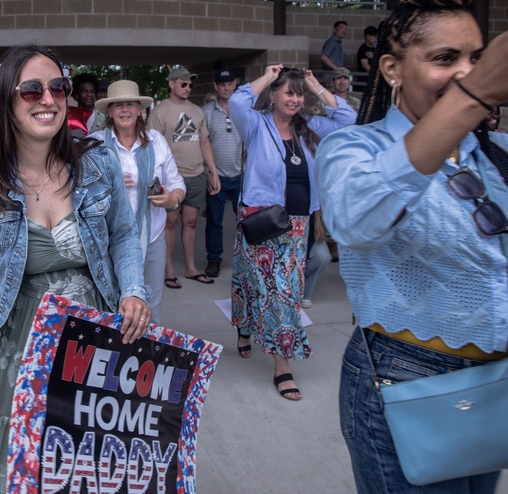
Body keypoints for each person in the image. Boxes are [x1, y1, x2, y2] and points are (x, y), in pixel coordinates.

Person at [316, 0, 508, 493]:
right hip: (405, 385)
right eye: (444, 59)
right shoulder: (355, 148)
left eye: (476, 59)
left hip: (501, 382)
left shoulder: (506, 154)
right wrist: (477, 93)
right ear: (392, 69)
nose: (465, 72)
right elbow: (356, 219)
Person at [0, 44, 150, 493]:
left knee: (86, 457)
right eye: (31, 90)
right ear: (7, 99)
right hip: (14, 339)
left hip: (90, 336)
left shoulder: (97, 161)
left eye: (58, 88)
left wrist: (134, 290)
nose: (48, 99)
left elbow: (123, 235)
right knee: (23, 459)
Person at [228, 65, 355, 400]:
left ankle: (250, 330)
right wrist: (269, 76)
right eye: (289, 92)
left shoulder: (310, 126)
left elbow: (348, 119)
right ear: (273, 95)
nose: (296, 99)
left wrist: (315, 86)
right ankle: (279, 364)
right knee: (259, 286)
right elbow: (239, 101)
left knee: (283, 291)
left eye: (299, 94)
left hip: (298, 225)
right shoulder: (256, 125)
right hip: (262, 220)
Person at [88, 79, 186, 324]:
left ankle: (146, 356)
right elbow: (82, 192)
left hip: (152, 237)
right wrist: (109, 180)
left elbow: (177, 183)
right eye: (118, 105)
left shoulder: (156, 141)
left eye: (130, 104)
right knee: (111, 303)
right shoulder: (96, 144)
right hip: (109, 240)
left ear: (140, 109)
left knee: (151, 305)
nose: (125, 110)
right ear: (109, 111)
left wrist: (171, 199)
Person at [147, 66, 220, 287]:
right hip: (171, 178)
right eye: (183, 84)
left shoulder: (197, 111)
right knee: (170, 222)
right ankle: (168, 270)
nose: (188, 87)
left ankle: (190, 268)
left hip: (196, 174)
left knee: (191, 222)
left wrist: (213, 172)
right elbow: (152, 148)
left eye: (190, 84)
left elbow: (204, 142)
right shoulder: (159, 113)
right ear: (171, 84)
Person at [202, 69, 244, 278]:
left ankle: (247, 259)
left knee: (245, 220)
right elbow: (202, 143)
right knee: (214, 221)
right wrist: (210, 172)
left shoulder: (243, 109)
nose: (227, 87)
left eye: (230, 83)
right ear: (216, 86)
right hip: (216, 176)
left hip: (241, 175)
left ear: (234, 84)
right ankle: (214, 259)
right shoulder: (206, 111)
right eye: (222, 84)